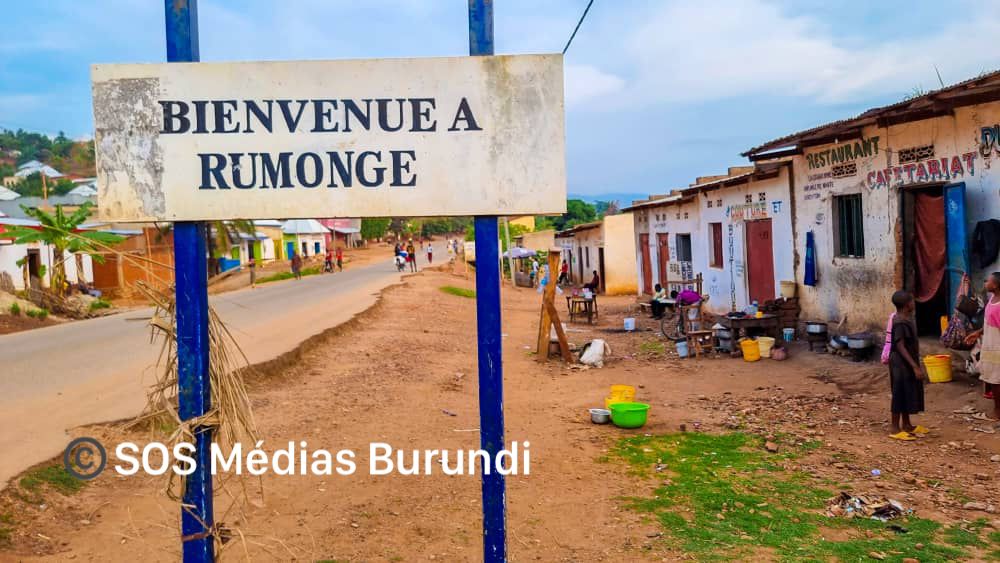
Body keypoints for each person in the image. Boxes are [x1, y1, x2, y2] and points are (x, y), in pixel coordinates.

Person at [888, 290, 927, 440]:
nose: (913, 303)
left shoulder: (904, 318)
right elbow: (900, 346)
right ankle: (894, 428)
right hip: (900, 362)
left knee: (905, 391)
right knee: (899, 393)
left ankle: (907, 424)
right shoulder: (900, 322)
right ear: (906, 305)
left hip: (905, 362)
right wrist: (915, 366)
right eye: (911, 301)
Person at [965, 272, 1000, 419]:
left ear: (996, 285)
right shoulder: (992, 299)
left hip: (997, 347)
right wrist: (978, 333)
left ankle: (997, 412)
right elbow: (988, 323)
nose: (985, 283)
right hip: (990, 344)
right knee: (993, 378)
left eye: (988, 281)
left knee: (996, 379)